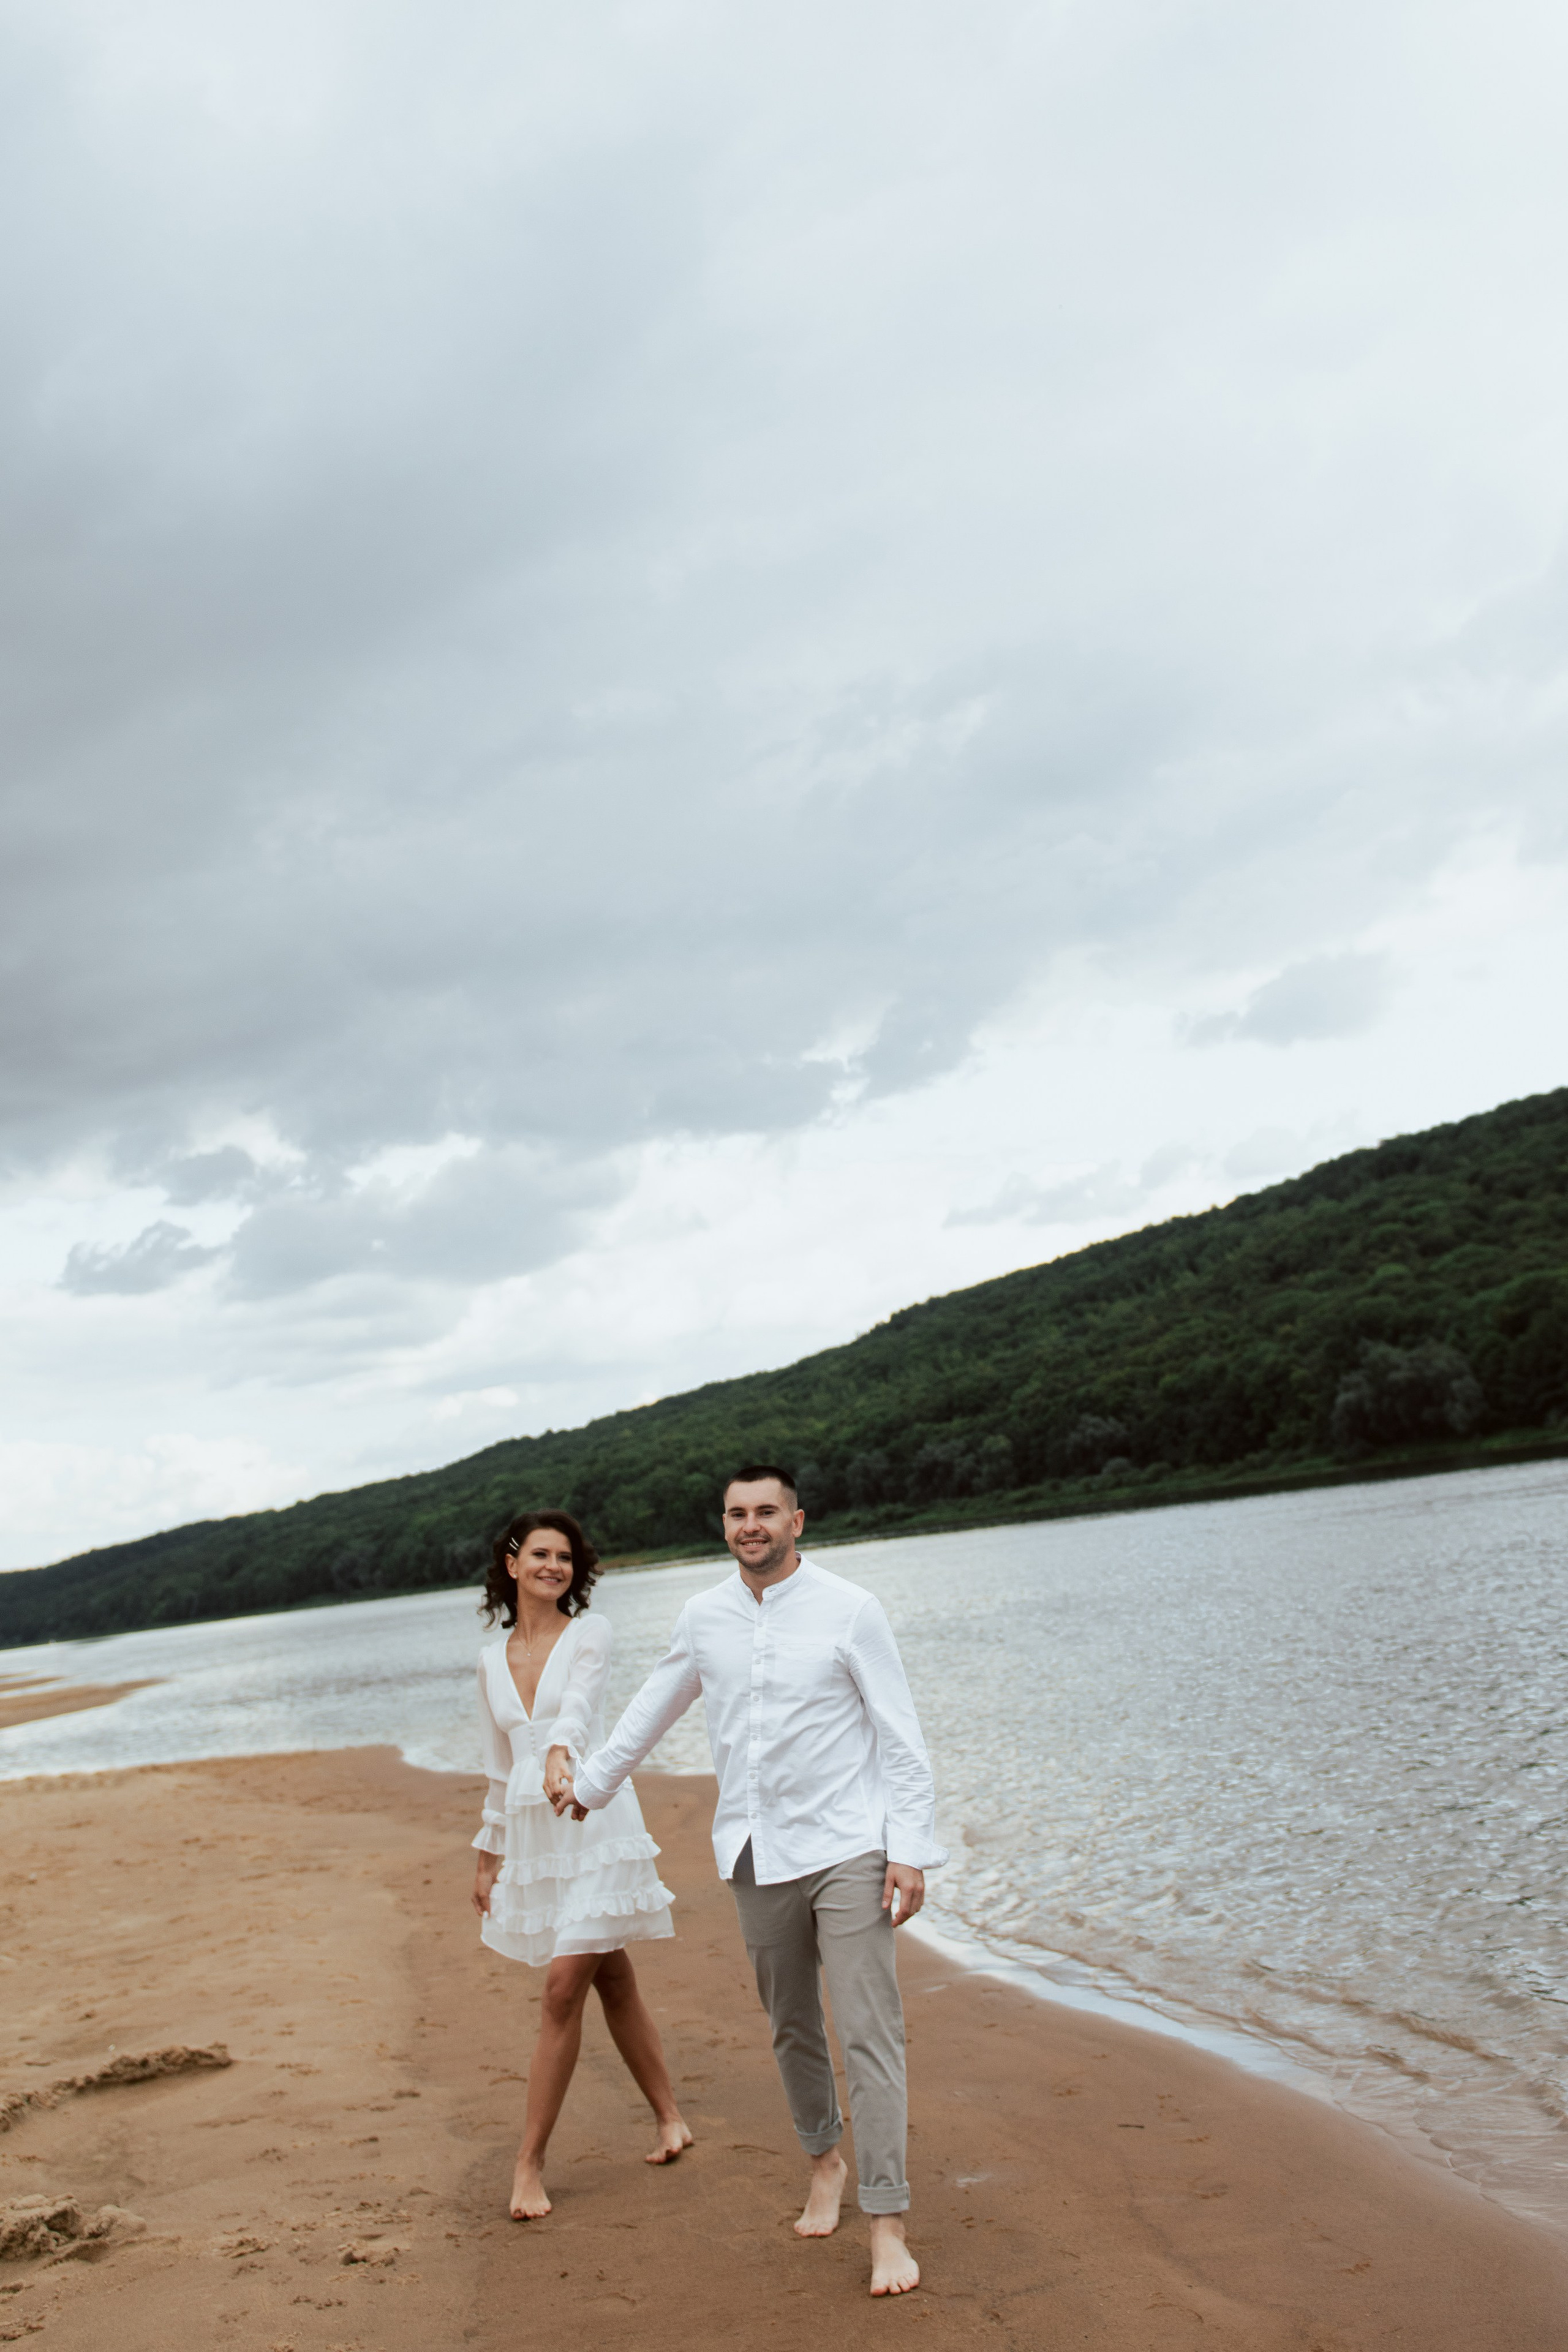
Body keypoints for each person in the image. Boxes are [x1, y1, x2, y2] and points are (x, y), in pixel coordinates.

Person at [554, 1464, 944, 2297]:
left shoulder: (852, 1610)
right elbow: (651, 1709)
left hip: (848, 1849)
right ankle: (824, 2162)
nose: (751, 1526)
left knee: (871, 2033)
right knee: (792, 2028)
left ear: (798, 1520)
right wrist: (589, 1787)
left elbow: (902, 1738)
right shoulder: (704, 1617)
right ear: (724, 1525)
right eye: (737, 1514)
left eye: (766, 1512)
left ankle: (886, 2222)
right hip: (755, 1853)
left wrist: (909, 1849)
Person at [470, 1508, 691, 2219]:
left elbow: (583, 1710)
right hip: (536, 1831)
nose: (553, 1567)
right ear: (511, 1565)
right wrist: (487, 1855)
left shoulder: (589, 1633)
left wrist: (563, 1752)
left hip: (592, 1816)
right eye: (539, 1554)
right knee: (613, 1977)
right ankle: (670, 2116)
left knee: (564, 1988)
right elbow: (499, 1767)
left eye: (564, 1557)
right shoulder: (488, 1659)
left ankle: (528, 2165)